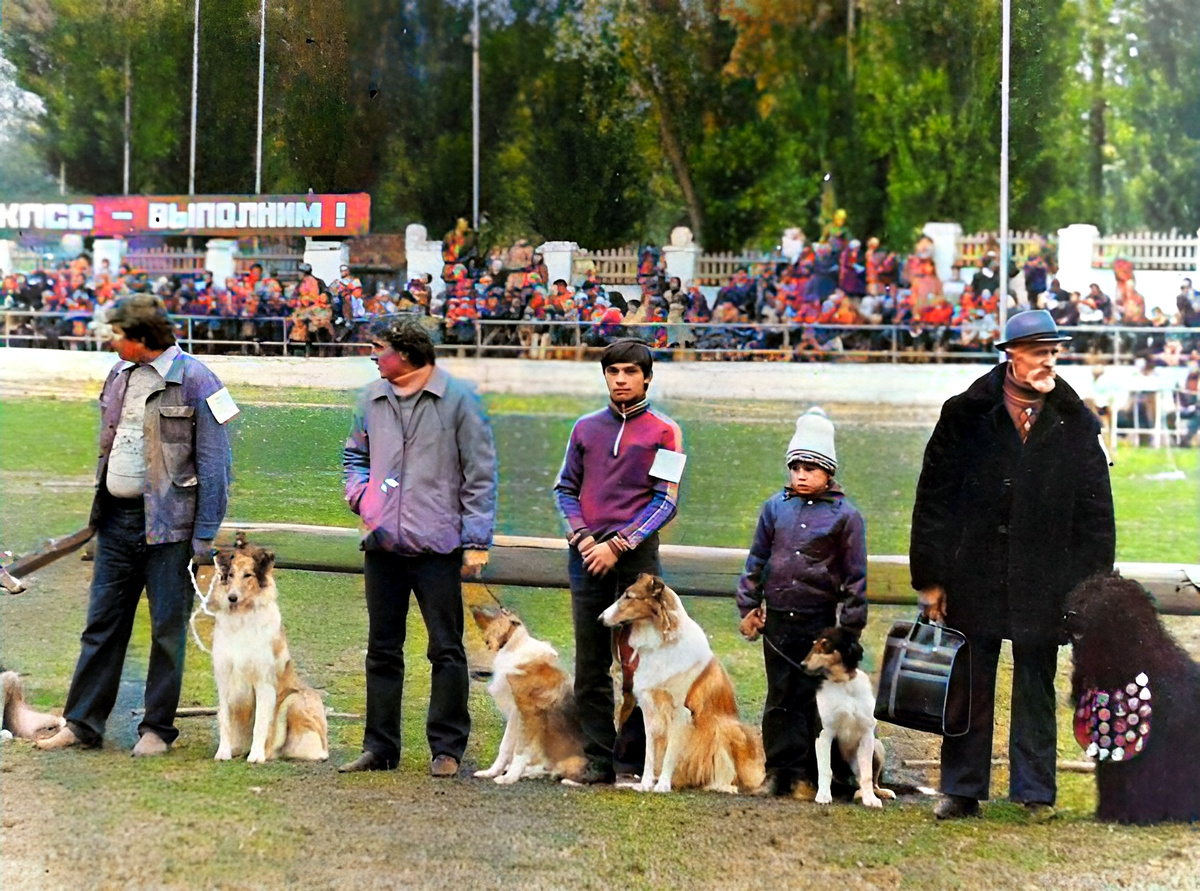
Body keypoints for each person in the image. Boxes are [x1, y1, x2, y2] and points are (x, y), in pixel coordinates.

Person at [910, 309, 1115, 822]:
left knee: (1035, 685)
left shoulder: (1076, 422)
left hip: (1045, 582)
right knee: (968, 685)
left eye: (1054, 352)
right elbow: (932, 501)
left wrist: (1089, 590)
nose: (1049, 361)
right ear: (1012, 356)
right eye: (1039, 352)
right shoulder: (964, 414)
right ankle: (960, 790)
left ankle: (1035, 793)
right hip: (972, 576)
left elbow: (1097, 516)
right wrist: (931, 579)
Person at [37, 295, 234, 756]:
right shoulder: (118, 374)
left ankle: (156, 731)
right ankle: (82, 724)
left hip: (171, 531)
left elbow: (216, 465)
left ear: (142, 336)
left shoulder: (199, 380)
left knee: (167, 631)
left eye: (118, 333)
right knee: (101, 625)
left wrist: (204, 535)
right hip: (115, 523)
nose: (111, 341)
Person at [339, 320, 496, 776]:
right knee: (381, 649)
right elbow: (354, 457)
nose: (373, 356)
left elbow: (480, 475)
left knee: (445, 648)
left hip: (438, 546)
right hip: (382, 545)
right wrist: (364, 498)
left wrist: (476, 541)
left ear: (405, 354)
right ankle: (379, 747)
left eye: (378, 348)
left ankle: (447, 748)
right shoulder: (371, 398)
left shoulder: (460, 401)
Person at [553, 339, 685, 783]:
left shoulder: (665, 431)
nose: (622, 380)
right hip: (586, 555)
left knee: (645, 660)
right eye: (613, 372)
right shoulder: (584, 428)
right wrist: (584, 538)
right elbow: (565, 489)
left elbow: (665, 501)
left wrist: (619, 544)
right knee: (590, 663)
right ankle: (598, 758)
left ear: (647, 378)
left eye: (630, 372)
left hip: (637, 562)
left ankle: (636, 758)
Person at [736, 407, 867, 799]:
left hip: (819, 622)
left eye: (810, 468)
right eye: (795, 467)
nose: (801, 475)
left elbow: (855, 577)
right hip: (778, 619)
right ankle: (779, 771)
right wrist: (748, 605)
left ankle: (814, 775)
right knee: (779, 696)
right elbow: (756, 560)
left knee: (816, 698)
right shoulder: (775, 508)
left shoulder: (846, 516)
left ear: (828, 471)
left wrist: (849, 630)